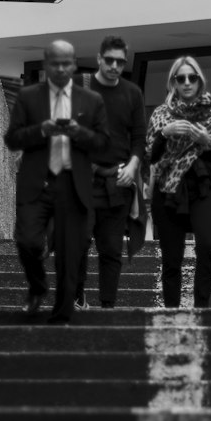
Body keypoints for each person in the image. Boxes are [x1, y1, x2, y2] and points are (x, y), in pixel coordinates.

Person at [4, 38, 108, 324]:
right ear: (47, 65)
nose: (61, 69)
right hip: (38, 183)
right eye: (55, 63)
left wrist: (78, 133)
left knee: (70, 251)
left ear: (73, 65)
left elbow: (102, 145)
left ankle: (62, 315)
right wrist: (42, 130)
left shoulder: (91, 101)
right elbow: (11, 139)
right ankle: (37, 287)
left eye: (66, 63)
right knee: (26, 241)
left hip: (73, 185)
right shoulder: (28, 97)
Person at [147, 56, 211, 308]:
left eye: (192, 77)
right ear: (173, 82)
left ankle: (201, 307)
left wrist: (205, 139)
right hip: (168, 190)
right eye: (181, 78)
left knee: (207, 244)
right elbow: (151, 155)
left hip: (203, 187)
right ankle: (171, 312)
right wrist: (165, 133)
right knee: (172, 258)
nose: (187, 82)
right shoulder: (161, 114)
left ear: (199, 80)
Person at [74, 35, 147, 309]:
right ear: (99, 59)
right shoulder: (79, 88)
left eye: (120, 61)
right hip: (83, 180)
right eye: (110, 60)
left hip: (118, 180)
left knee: (111, 249)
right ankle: (77, 295)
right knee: (79, 242)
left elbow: (139, 137)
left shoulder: (132, 93)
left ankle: (107, 307)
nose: (115, 66)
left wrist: (133, 166)